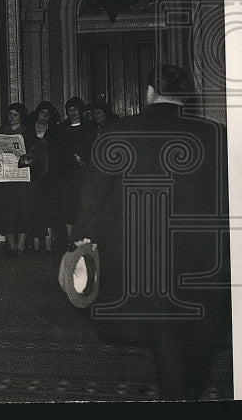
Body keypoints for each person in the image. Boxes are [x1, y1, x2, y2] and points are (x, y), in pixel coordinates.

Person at [75, 64, 230, 400]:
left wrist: (84, 242)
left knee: (166, 330)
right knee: (197, 325)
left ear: (148, 92)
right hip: (202, 250)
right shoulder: (215, 133)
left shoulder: (117, 132)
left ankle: (178, 393)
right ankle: (194, 384)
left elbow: (90, 197)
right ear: (186, 96)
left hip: (140, 252)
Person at [0, 102, 35, 257]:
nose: (11, 118)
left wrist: (23, 156)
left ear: (21, 117)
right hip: (5, 179)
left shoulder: (28, 132)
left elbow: (35, 152)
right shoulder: (1, 131)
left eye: (15, 114)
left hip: (22, 178)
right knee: (6, 210)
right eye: (10, 114)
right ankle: (11, 245)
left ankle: (21, 246)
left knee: (23, 210)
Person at [52, 96, 98, 249]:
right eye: (69, 110)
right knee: (68, 205)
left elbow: (94, 147)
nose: (72, 113)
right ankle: (71, 238)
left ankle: (85, 238)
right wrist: (72, 158)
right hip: (68, 173)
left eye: (75, 110)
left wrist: (83, 159)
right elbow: (58, 149)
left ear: (81, 111)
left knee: (84, 204)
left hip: (85, 172)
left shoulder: (91, 127)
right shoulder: (62, 128)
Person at [26, 100, 58, 252]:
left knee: (49, 206)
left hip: (49, 174)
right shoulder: (29, 130)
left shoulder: (55, 130)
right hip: (32, 173)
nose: (44, 116)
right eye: (42, 112)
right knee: (33, 206)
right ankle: (35, 243)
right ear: (37, 113)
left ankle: (49, 243)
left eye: (47, 114)